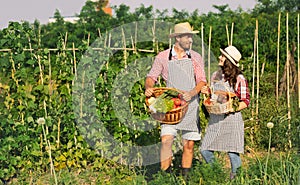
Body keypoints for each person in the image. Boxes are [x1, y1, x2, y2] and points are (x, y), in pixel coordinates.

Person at [144, 22, 207, 177]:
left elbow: (202, 81)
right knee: (166, 141)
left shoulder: (195, 57)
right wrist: (149, 87)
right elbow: (151, 77)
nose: (190, 40)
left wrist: (192, 93)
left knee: (189, 144)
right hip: (170, 106)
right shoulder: (163, 57)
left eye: (191, 37)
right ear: (178, 38)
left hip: (190, 105)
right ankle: (166, 177)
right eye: (187, 36)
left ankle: (184, 177)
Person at [200, 45, 250, 180]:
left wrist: (232, 108)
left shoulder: (239, 78)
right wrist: (207, 93)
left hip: (231, 119)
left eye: (222, 56)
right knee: (204, 149)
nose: (219, 57)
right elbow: (214, 97)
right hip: (216, 118)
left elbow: (245, 101)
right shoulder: (215, 75)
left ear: (228, 61)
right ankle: (217, 174)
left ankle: (237, 179)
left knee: (233, 152)